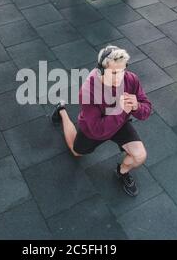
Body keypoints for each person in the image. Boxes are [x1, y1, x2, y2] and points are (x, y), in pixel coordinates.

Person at [51, 46, 152, 197]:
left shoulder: (131, 79)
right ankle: (62, 111)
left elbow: (147, 110)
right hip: (94, 129)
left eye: (123, 70)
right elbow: (97, 130)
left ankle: (121, 172)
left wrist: (137, 106)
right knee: (76, 152)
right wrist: (122, 110)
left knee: (140, 156)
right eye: (114, 72)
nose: (120, 77)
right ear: (101, 71)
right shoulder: (88, 91)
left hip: (119, 124)